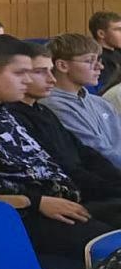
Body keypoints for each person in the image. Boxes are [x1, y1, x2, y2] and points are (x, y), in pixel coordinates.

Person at [0, 35, 121, 269]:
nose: (27, 81)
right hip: (21, 217)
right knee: (113, 248)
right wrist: (36, 201)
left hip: (55, 204)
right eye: (20, 73)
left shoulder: (0, 110)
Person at [7, 48, 121, 203]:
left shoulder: (43, 110)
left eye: (50, 71)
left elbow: (85, 152)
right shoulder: (17, 116)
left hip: (94, 186)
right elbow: (64, 166)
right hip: (72, 195)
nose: (51, 79)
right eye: (40, 72)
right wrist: (114, 188)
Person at [39, 33, 121, 171]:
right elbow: (96, 152)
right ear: (62, 65)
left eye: (99, 60)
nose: (100, 67)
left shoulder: (101, 103)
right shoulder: (53, 105)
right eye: (90, 61)